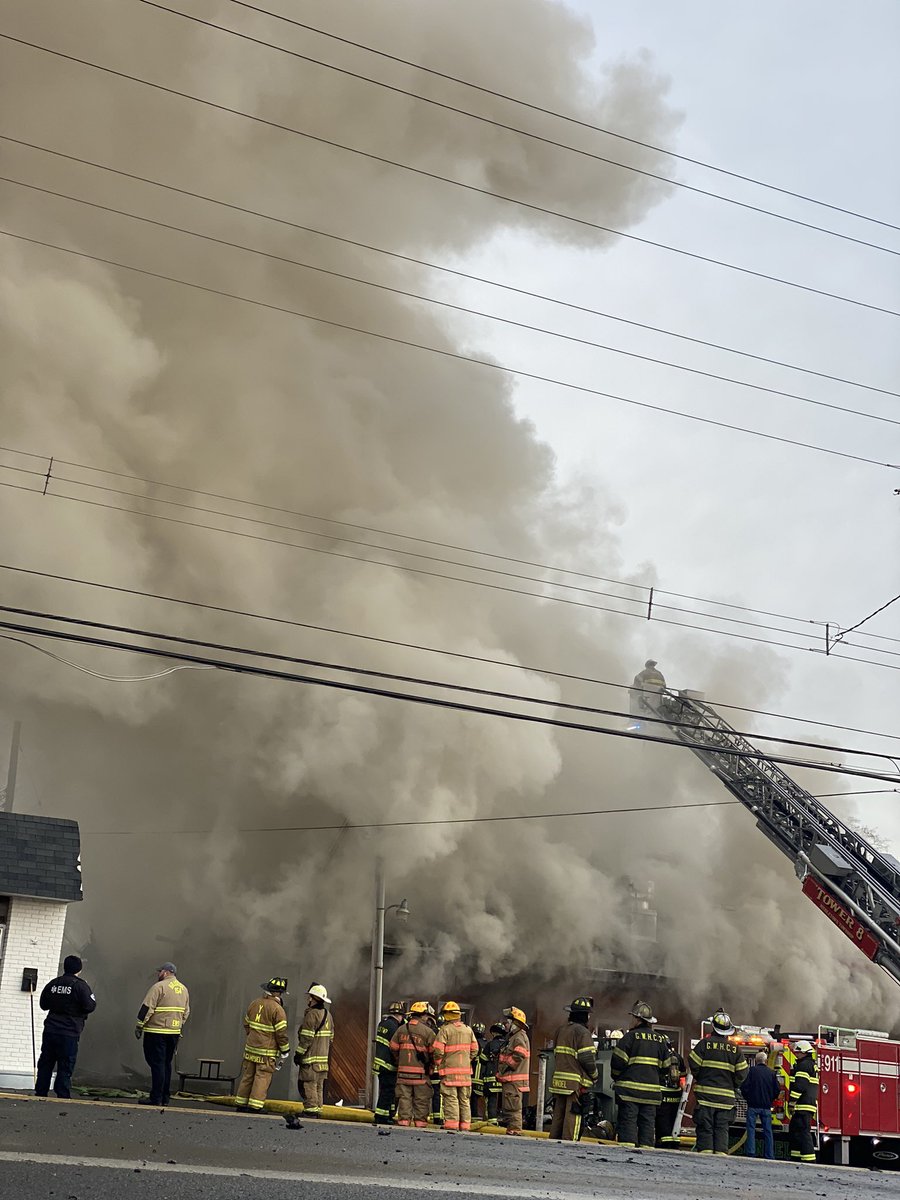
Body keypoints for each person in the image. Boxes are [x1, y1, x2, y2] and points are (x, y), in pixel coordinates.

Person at [611, 1001, 671, 1149]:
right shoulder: (660, 1040)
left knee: (628, 1124)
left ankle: (627, 1158)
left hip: (629, 1093)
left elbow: (617, 1064)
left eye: (632, 1018)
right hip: (651, 1094)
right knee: (648, 1125)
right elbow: (666, 1067)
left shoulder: (629, 1038)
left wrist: (618, 1077)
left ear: (638, 1019)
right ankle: (646, 1159)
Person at [35, 955, 96, 1099]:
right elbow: (90, 1006)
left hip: (50, 1029)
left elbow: (43, 1005)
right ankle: (62, 1093)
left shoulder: (53, 984)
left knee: (46, 1061)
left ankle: (41, 1090)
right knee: (66, 1063)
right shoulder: (80, 986)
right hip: (70, 1031)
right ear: (79, 969)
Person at [689, 1009, 748, 1154]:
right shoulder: (736, 1050)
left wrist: (702, 1078)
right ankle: (721, 1160)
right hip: (726, 1100)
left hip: (705, 1098)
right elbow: (742, 1073)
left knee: (706, 1128)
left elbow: (693, 1064)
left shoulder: (704, 1044)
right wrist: (732, 1085)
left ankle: (705, 1159)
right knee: (722, 1129)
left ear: (713, 1026)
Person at [135, 962, 190, 1107]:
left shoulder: (159, 987)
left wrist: (139, 1025)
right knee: (166, 1064)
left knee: (157, 1064)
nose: (158, 974)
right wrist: (178, 1025)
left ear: (166, 972)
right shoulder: (183, 989)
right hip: (173, 1033)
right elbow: (186, 1012)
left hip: (156, 1032)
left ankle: (156, 1098)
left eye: (160, 971)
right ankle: (165, 1097)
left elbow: (147, 1008)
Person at [235, 977, 291, 1113]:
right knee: (262, 1077)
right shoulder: (278, 1010)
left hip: (250, 1049)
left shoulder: (254, 1004)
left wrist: (252, 1038)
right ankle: (255, 1105)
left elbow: (246, 1024)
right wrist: (285, 1050)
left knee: (248, 1075)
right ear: (277, 993)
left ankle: (241, 1103)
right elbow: (281, 1034)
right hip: (266, 1052)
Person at [548, 996, 598, 1141]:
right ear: (585, 1016)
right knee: (574, 1113)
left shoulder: (561, 1030)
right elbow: (587, 1058)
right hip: (574, 1082)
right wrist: (594, 1075)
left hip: (559, 1081)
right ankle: (569, 1144)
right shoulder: (582, 1032)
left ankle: (553, 1141)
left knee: (559, 1113)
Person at [432, 1001, 478, 1132]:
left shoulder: (445, 1030)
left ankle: (452, 1125)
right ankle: (465, 1126)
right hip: (465, 1074)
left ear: (447, 1015)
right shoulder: (468, 1030)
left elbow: (438, 1051)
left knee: (451, 1098)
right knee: (464, 1099)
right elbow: (475, 1050)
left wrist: (440, 1063)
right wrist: (466, 1060)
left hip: (449, 1073)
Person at [390, 1001, 437, 1128]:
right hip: (420, 1075)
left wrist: (399, 1059)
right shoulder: (428, 1032)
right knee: (421, 1100)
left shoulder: (401, 1030)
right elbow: (434, 1053)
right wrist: (431, 1065)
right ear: (422, 1015)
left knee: (404, 1099)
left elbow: (393, 1047)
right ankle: (420, 1124)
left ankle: (404, 1122)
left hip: (403, 1074)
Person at [294, 982, 333, 1117]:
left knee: (309, 1084)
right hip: (323, 1060)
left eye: (310, 997)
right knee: (318, 1086)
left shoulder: (312, 1015)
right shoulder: (328, 1015)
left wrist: (298, 1054)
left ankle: (310, 1110)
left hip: (311, 1059)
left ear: (314, 998)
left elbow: (306, 1038)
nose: (308, 1000)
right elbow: (331, 1038)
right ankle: (318, 1110)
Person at [496, 1006, 531, 1136]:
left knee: (513, 1107)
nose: (505, 1024)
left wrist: (504, 1068)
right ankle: (512, 1129)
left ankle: (515, 1130)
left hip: (514, 1079)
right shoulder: (513, 1037)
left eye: (507, 1022)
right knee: (510, 1106)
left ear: (514, 1023)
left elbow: (519, 1055)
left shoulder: (519, 1037)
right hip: (511, 1079)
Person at [740, 1049, 781, 1159]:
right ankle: (769, 1154)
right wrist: (770, 1099)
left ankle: (751, 1152)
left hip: (753, 1106)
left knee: (751, 1129)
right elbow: (777, 1089)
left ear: (756, 1061)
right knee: (768, 1131)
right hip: (766, 1107)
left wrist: (747, 1098)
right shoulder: (771, 1073)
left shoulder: (752, 1071)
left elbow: (744, 1087)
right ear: (766, 1061)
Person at [373, 1000, 406, 1125]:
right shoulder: (395, 1027)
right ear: (400, 1015)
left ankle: (388, 1115)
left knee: (386, 1090)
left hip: (379, 1063)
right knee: (388, 1091)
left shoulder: (383, 1023)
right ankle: (381, 1116)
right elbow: (396, 1047)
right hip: (388, 1064)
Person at [787, 1040, 819, 1163]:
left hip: (803, 1105)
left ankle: (809, 1160)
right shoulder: (809, 1064)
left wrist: (792, 1102)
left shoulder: (804, 1065)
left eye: (798, 1052)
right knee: (796, 1131)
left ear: (804, 1052)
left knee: (803, 1131)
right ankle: (796, 1157)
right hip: (805, 1105)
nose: (796, 1054)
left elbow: (799, 1086)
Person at [655, 1039, 686, 1148]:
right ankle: (674, 1143)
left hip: (662, 1095)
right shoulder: (678, 1057)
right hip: (676, 1097)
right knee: (675, 1122)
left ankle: (662, 1144)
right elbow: (683, 1078)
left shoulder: (659, 1056)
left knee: (662, 1123)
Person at [480, 1023, 506, 1121]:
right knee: (503, 1100)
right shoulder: (506, 1044)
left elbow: (483, 1060)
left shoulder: (490, 1044)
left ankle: (492, 1120)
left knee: (491, 1099)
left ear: (494, 1033)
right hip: (504, 1077)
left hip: (491, 1077)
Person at [471, 1022, 487, 1117]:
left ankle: (474, 1116)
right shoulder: (487, 1043)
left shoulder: (473, 1042)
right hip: (484, 1075)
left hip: (473, 1073)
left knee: (473, 1097)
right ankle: (484, 1116)